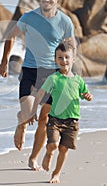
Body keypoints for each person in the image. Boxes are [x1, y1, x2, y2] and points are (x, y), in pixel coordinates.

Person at [0, 0, 75, 170]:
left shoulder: (65, 22)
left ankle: (33, 158)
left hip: (53, 73)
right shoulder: (29, 18)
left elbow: (70, 48)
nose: (46, 0)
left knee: (44, 119)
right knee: (28, 113)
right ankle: (21, 122)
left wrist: (68, 73)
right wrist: (4, 61)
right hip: (30, 71)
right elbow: (11, 36)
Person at [31, 41, 93, 183]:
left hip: (72, 121)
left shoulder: (78, 80)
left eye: (66, 57)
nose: (63, 60)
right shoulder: (53, 78)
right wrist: (34, 110)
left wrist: (88, 96)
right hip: (55, 119)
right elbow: (40, 94)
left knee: (64, 149)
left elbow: (85, 94)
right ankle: (48, 152)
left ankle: (56, 174)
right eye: (60, 58)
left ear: (73, 59)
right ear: (55, 60)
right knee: (53, 144)